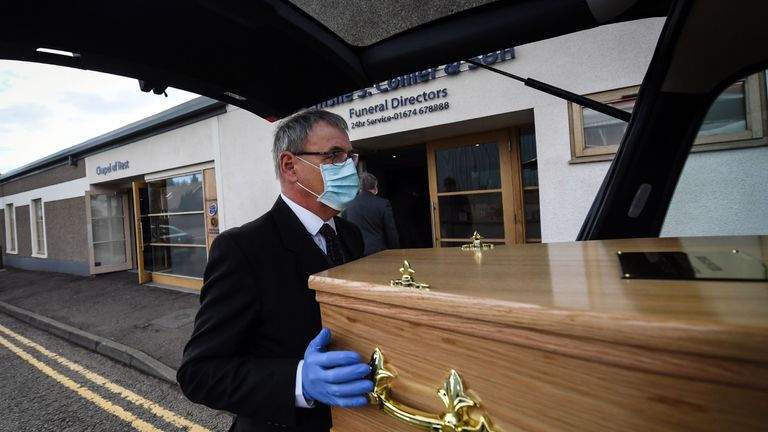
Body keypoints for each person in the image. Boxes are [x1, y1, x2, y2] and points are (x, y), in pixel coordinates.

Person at [177, 110, 374, 432]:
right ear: (290, 166)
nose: (350, 166)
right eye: (334, 155)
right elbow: (200, 373)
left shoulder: (348, 234)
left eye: (351, 155)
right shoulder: (243, 248)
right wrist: (299, 381)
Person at [342, 173, 400, 256]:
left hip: (356, 253)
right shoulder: (383, 204)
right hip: (379, 252)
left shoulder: (348, 205)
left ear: (359, 187)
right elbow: (391, 231)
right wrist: (395, 251)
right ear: (375, 186)